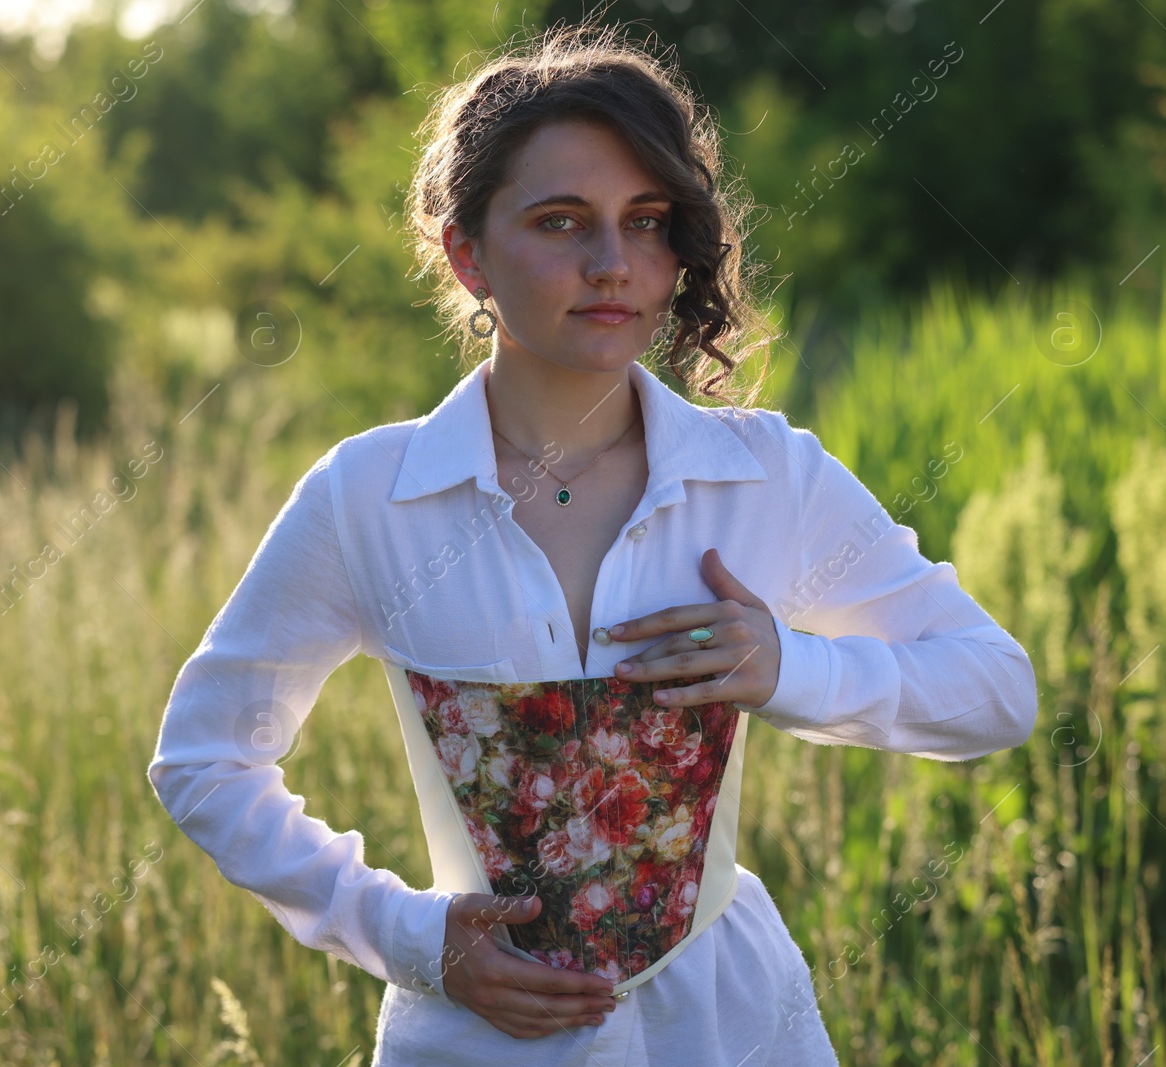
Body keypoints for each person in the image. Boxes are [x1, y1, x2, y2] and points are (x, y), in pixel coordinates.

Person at [146, 20, 1038, 1066]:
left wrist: (786, 666)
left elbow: (995, 690)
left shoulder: (763, 474)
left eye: (647, 220)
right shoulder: (368, 495)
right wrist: (411, 935)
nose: (613, 263)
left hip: (733, 1024)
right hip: (476, 1035)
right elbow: (205, 758)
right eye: (562, 221)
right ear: (465, 252)